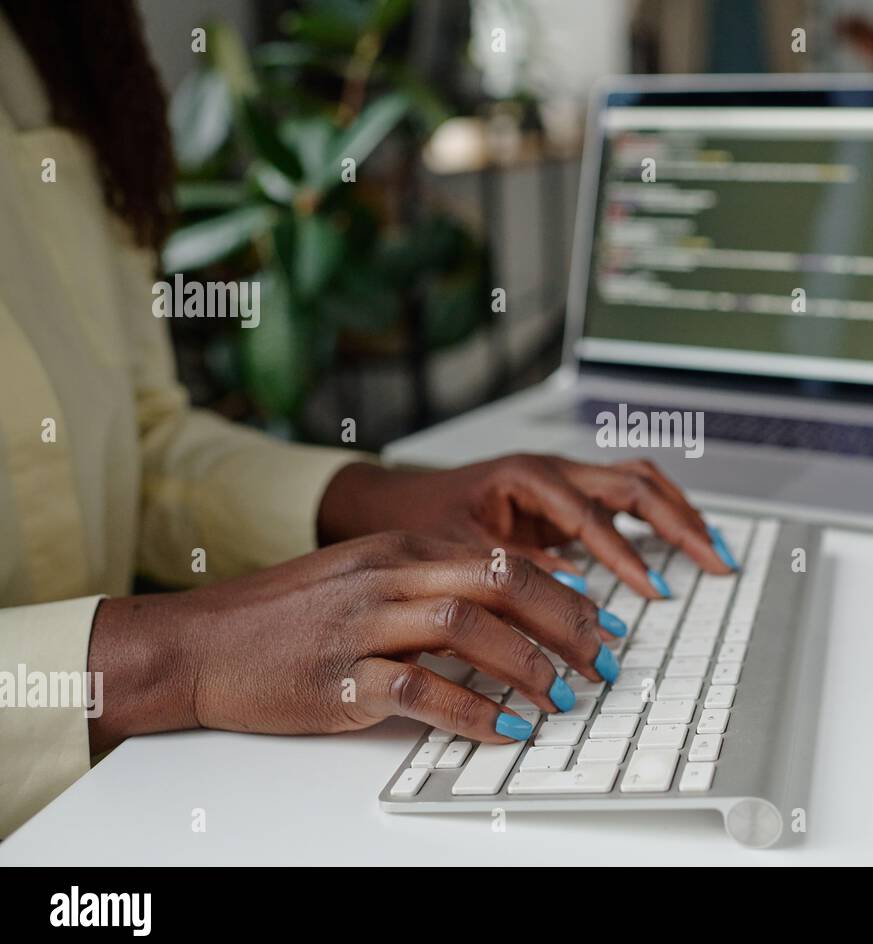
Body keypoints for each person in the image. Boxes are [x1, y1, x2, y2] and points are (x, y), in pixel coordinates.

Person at [0, 1, 736, 838]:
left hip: (114, 802)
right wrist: (173, 657)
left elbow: (144, 439)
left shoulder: (53, 36)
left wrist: (375, 499)